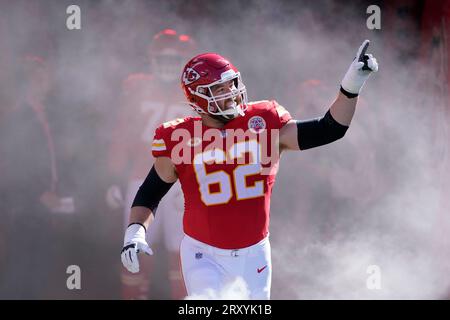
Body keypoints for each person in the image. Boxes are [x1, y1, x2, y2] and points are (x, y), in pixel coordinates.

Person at [120, 40, 378, 299]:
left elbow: (329, 129)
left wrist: (351, 87)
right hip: (203, 253)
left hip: (254, 252)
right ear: (198, 98)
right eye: (219, 88)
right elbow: (150, 192)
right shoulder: (180, 136)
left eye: (231, 83)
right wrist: (135, 232)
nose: (231, 92)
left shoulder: (263, 120)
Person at [109, 29, 196, 299]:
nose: (168, 66)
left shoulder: (195, 91)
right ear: (152, 60)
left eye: (175, 60)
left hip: (183, 183)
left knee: (183, 255)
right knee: (134, 251)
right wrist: (113, 176)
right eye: (163, 59)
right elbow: (123, 132)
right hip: (142, 178)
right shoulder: (138, 87)